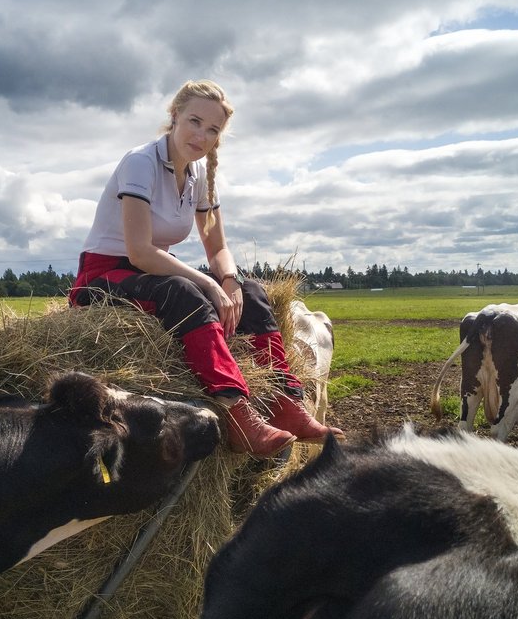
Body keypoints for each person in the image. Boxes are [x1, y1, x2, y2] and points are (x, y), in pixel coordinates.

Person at [68, 79, 345, 458]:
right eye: (195, 121)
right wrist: (209, 285)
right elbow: (139, 253)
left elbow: (217, 246)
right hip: (104, 277)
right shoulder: (140, 162)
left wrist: (229, 280)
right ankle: (238, 416)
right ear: (174, 116)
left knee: (251, 291)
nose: (201, 135)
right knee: (185, 291)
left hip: (151, 273)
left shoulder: (200, 176)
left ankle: (285, 401)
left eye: (212, 129)